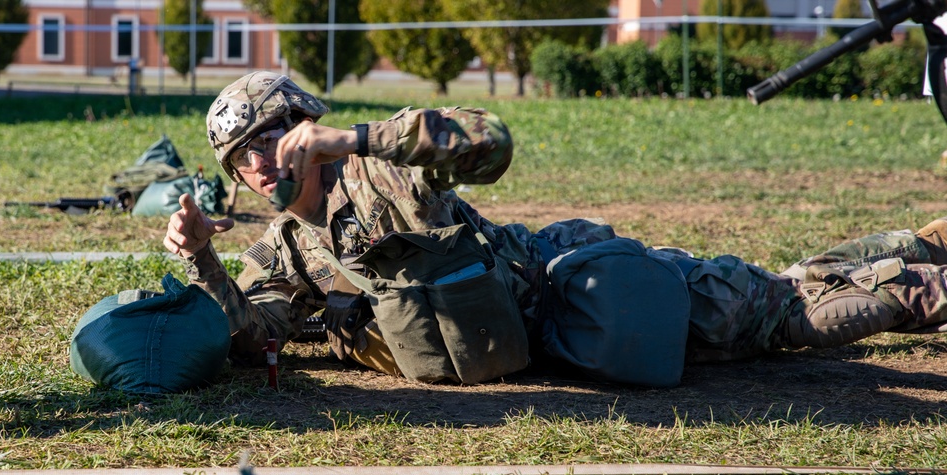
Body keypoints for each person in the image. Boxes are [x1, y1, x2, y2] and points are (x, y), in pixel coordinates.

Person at [163, 71, 947, 385]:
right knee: (791, 287)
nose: (259, 165)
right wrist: (202, 260)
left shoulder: (381, 172)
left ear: (303, 125)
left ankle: (927, 269)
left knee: (799, 311)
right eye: (240, 159)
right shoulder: (287, 251)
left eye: (267, 139)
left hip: (573, 289)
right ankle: (918, 242)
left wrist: (359, 137)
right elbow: (253, 334)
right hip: (552, 344)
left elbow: (488, 142)